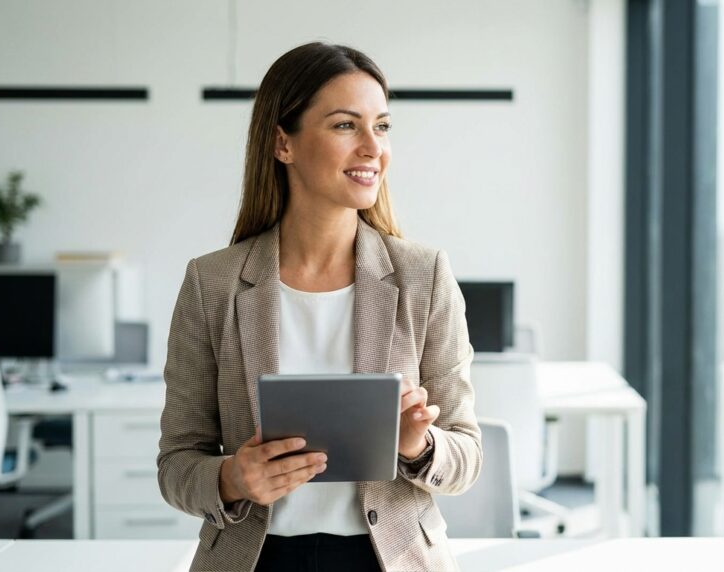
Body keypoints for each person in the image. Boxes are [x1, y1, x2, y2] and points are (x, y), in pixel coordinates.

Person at [156, 42, 482, 572]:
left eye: (382, 126)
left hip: (388, 558)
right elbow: (176, 462)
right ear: (283, 143)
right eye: (345, 126)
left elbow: (467, 456)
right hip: (255, 557)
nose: (372, 147)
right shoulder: (211, 282)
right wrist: (233, 479)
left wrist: (417, 445)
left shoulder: (424, 276)